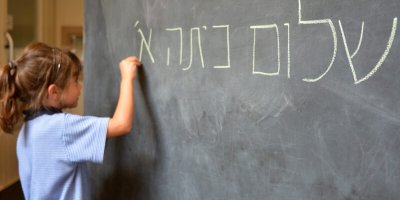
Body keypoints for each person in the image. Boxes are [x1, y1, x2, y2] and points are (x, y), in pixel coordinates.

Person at [0, 42, 141, 199]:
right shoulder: (61, 128)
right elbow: (122, 124)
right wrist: (127, 78)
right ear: (54, 91)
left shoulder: (28, 130)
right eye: (75, 80)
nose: (80, 86)